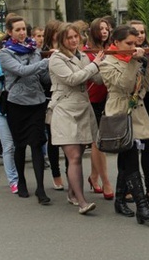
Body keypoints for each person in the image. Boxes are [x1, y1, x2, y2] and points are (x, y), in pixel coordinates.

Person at [99, 25, 149, 224]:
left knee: (128, 159)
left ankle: (120, 199)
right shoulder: (107, 62)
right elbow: (123, 84)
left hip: (137, 111)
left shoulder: (135, 60)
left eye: (136, 43)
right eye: (129, 43)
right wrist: (134, 62)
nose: (134, 47)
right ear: (116, 43)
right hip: (119, 112)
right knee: (131, 158)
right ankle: (141, 206)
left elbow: (146, 86)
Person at [49, 23, 105, 214]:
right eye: (69, 38)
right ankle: (82, 202)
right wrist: (95, 64)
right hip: (65, 109)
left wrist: (109, 63)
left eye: (76, 37)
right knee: (73, 157)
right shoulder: (56, 58)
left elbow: (96, 79)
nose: (73, 40)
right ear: (61, 40)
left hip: (83, 108)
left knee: (79, 155)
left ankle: (73, 193)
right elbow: (73, 79)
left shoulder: (82, 55)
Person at [0, 16, 52, 203]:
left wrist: (53, 70)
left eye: (24, 29)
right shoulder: (5, 53)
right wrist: (45, 63)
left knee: (37, 145)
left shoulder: (35, 50)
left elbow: (43, 78)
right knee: (19, 145)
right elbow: (21, 71)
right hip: (17, 104)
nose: (22, 33)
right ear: (10, 32)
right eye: (18, 30)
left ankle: (40, 188)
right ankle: (21, 181)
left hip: (37, 103)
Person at [127, 19, 149, 202]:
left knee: (147, 146)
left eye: (142, 32)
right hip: (128, 103)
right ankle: (130, 187)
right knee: (128, 148)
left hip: (143, 101)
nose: (140, 36)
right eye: (136, 32)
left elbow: (148, 83)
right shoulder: (124, 54)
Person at [85, 17, 114, 199]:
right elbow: (94, 76)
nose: (104, 31)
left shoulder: (111, 49)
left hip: (108, 98)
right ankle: (106, 181)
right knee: (98, 142)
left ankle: (94, 176)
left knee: (100, 141)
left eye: (106, 28)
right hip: (92, 99)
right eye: (101, 29)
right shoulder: (88, 52)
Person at [0, 39, 19, 195]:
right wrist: (9, 63)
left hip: (17, 106)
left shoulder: (20, 59)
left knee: (19, 145)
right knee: (8, 146)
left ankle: (20, 177)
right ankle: (13, 180)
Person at [41, 19, 67, 191]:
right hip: (50, 99)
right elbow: (43, 78)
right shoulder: (44, 53)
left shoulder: (69, 51)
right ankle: (56, 174)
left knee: (69, 140)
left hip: (67, 98)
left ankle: (69, 172)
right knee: (53, 140)